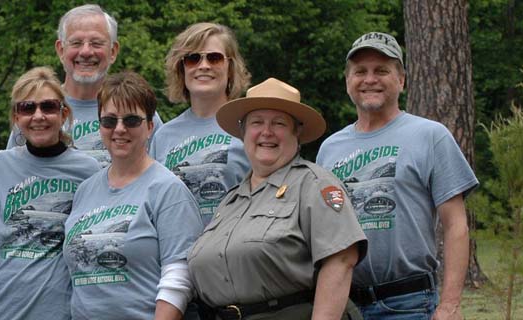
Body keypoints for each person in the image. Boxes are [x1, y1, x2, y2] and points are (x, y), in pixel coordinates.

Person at [316, 32, 478, 319]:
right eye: (360, 72)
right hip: (343, 304)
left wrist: (450, 304)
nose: (369, 79)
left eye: (382, 71)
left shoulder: (430, 136)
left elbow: (456, 225)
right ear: (347, 81)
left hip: (408, 303)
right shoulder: (329, 148)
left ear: (401, 80)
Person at [186, 78, 367, 319]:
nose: (266, 132)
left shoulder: (314, 184)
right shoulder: (230, 202)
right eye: (256, 122)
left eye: (279, 123)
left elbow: (341, 261)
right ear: (243, 132)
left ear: (297, 132)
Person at [63, 71, 203, 320]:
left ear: (150, 126)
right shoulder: (85, 190)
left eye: (131, 120)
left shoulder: (168, 189)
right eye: (109, 121)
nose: (119, 129)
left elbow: (179, 277)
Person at [0, 67, 99, 320]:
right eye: (28, 108)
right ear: (16, 117)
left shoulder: (88, 170)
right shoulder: (0, 164)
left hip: (55, 308)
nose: (38, 116)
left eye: (48, 107)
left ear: (64, 113)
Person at [5, 4, 163, 168]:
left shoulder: (137, 112)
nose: (86, 52)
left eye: (96, 43)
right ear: (60, 50)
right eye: (76, 43)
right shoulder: (35, 112)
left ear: (113, 51)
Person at [150, 22, 251, 226]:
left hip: (231, 250)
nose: (203, 66)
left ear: (230, 68)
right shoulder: (163, 136)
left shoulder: (250, 128)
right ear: (181, 69)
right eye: (193, 58)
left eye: (214, 58)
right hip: (177, 253)